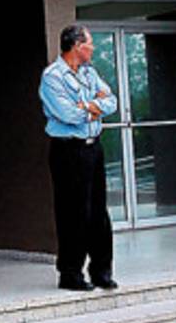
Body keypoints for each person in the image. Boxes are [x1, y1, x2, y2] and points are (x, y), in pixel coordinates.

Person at [39, 24, 118, 292]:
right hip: (68, 151)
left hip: (93, 148)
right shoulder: (53, 76)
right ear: (76, 46)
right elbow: (67, 114)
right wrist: (93, 107)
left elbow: (112, 101)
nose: (93, 48)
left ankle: (101, 271)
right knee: (73, 212)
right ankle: (71, 273)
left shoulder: (89, 72)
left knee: (98, 212)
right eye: (90, 44)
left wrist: (88, 106)